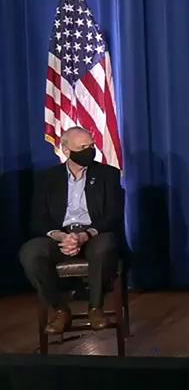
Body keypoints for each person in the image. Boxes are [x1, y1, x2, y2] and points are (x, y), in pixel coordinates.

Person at [19, 127, 125, 334]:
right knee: (30, 252)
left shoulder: (108, 174)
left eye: (91, 146)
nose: (89, 150)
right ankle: (60, 310)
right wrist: (61, 236)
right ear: (66, 150)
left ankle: (95, 308)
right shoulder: (47, 178)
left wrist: (85, 235)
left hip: (94, 234)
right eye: (83, 147)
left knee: (105, 246)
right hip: (61, 235)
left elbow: (113, 216)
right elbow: (37, 220)